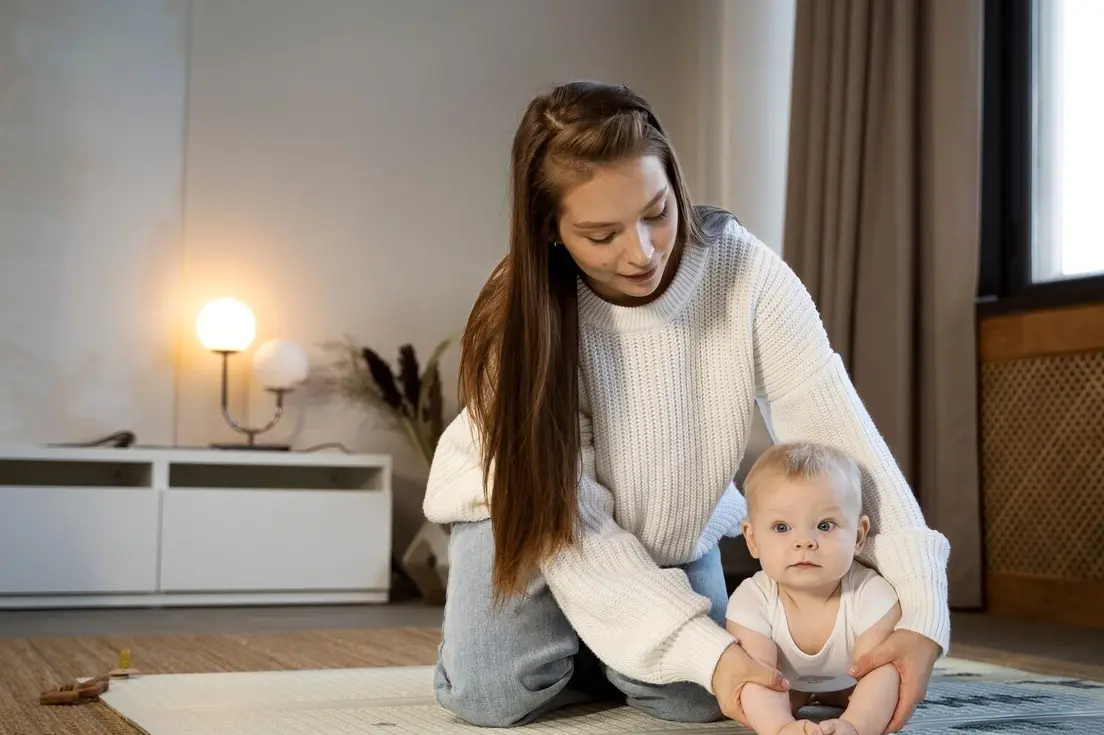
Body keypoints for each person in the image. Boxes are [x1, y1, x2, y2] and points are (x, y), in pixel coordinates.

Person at [422, 80, 949, 730]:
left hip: (669, 519)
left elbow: (845, 447)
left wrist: (924, 609)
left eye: (656, 211)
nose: (641, 251)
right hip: (527, 518)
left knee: (699, 699)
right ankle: (587, 628)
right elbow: (574, 529)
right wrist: (700, 646)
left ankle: (603, 631)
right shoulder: (519, 320)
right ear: (551, 231)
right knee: (493, 695)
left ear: (674, 180)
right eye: (601, 233)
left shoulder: (746, 274)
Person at [726, 442, 902, 735]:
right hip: (785, 685)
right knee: (753, 677)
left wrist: (855, 722)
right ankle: (781, 729)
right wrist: (778, 724)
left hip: (854, 686)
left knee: (886, 671)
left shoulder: (871, 593)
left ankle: (855, 727)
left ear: (858, 536)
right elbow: (758, 671)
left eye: (824, 525)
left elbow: (876, 666)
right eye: (782, 527)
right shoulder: (751, 600)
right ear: (752, 539)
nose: (804, 542)